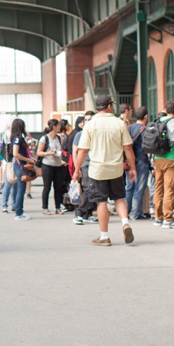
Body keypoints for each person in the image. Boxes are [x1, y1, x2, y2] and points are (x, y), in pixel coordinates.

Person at [73, 95, 136, 246]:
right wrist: (133, 168)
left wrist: (76, 170)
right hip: (116, 169)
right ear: (108, 106)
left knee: (101, 202)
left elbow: (82, 151)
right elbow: (127, 147)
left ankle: (104, 237)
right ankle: (125, 223)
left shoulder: (90, 125)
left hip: (97, 170)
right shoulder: (119, 123)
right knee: (119, 198)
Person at [152, 100, 174, 229]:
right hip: (171, 158)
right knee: (170, 189)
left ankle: (157, 217)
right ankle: (168, 219)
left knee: (158, 188)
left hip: (157, 158)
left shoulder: (158, 121)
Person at [71, 112, 98, 225]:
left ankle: (89, 213)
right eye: (86, 119)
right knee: (88, 189)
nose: (88, 121)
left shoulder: (97, 134)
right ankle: (79, 212)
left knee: (94, 190)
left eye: (90, 119)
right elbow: (75, 152)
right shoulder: (79, 134)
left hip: (96, 164)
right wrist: (77, 169)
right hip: (85, 164)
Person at [124, 107, 151, 220]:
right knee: (139, 188)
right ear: (146, 117)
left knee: (129, 187)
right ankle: (137, 213)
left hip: (129, 162)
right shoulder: (145, 130)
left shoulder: (129, 128)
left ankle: (126, 212)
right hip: (141, 161)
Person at [37, 119, 67, 215]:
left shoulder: (59, 138)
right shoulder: (44, 138)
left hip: (58, 165)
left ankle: (58, 207)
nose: (60, 127)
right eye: (58, 125)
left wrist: (61, 159)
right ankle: (45, 208)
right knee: (47, 187)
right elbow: (39, 152)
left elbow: (60, 150)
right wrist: (49, 153)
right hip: (47, 165)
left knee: (58, 187)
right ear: (54, 126)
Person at [10, 118, 36, 221]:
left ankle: (19, 212)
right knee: (21, 190)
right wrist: (27, 159)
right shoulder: (17, 138)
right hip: (20, 167)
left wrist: (29, 159)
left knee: (20, 190)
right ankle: (19, 213)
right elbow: (16, 153)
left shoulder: (18, 137)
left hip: (19, 166)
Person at [0, 121, 17, 214]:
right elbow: (8, 149)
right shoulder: (8, 134)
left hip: (8, 162)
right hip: (10, 162)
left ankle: (10, 205)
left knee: (12, 184)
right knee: (9, 184)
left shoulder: (5, 134)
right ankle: (6, 205)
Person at [25, 132, 36, 199]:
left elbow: (32, 145)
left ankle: (28, 192)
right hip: (23, 158)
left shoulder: (30, 140)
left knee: (29, 176)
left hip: (29, 158)